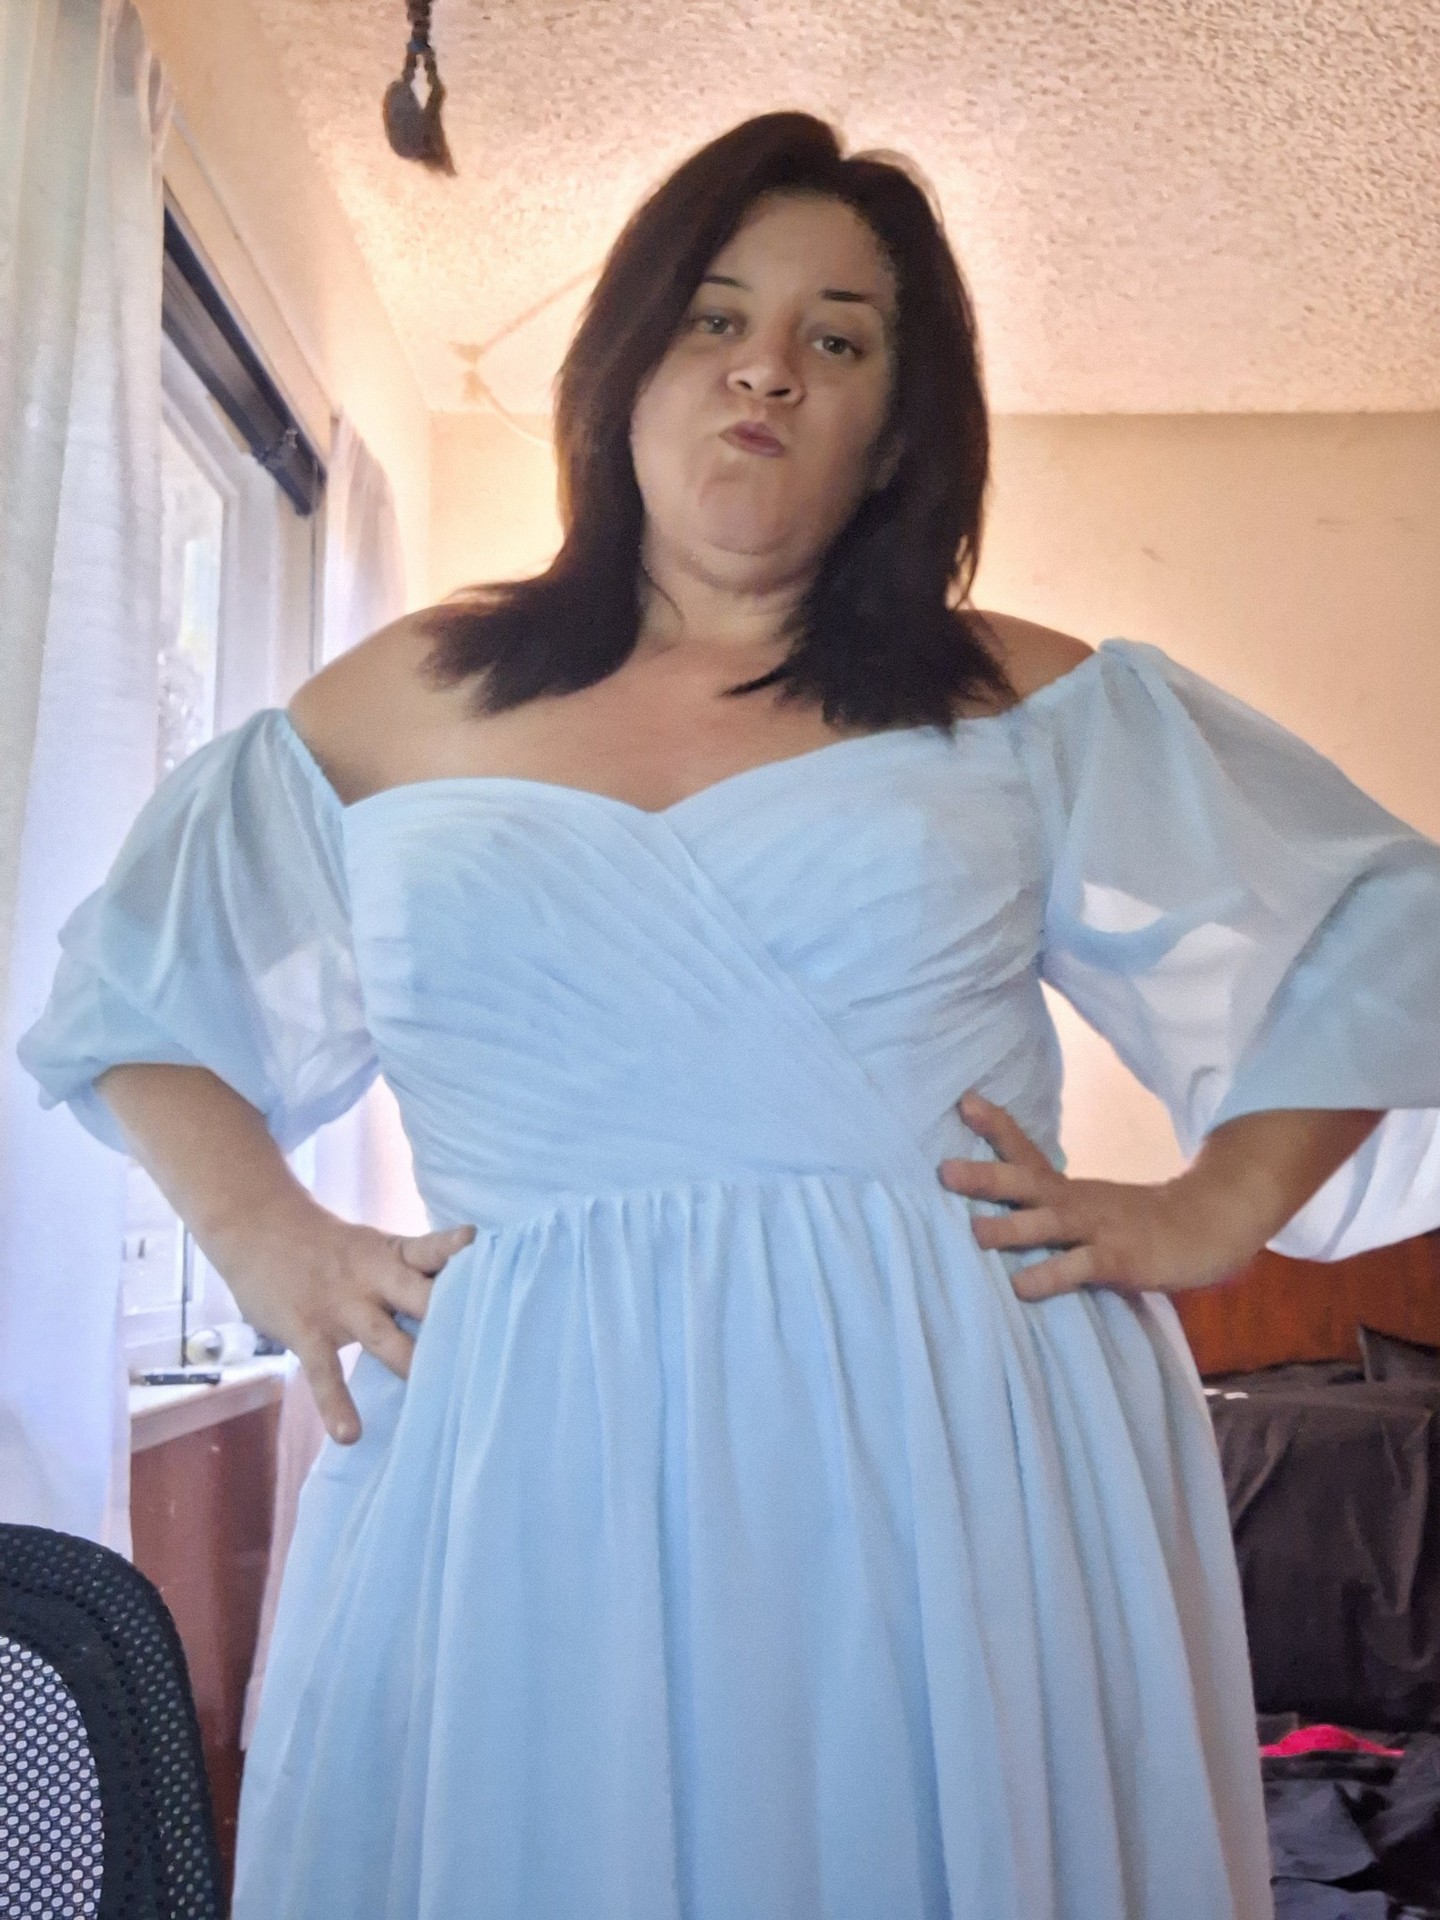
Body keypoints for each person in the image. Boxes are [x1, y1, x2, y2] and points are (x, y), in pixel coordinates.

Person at [18, 110, 1440, 1920]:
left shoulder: (1018, 698)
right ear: (625, 368)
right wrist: (270, 1237)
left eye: (838, 339)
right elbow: (135, 991)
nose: (768, 367)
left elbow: (1384, 919)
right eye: (716, 316)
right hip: (527, 1453)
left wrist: (1214, 1208)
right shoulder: (402, 696)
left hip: (956, 1440)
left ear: (897, 432)